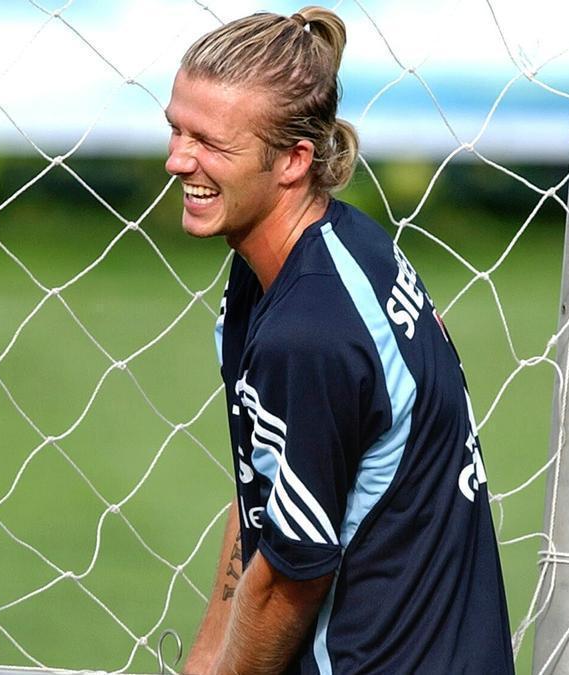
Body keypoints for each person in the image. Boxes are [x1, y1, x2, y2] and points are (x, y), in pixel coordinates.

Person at [164, 7, 513, 674]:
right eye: (177, 129)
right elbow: (264, 500)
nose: (179, 159)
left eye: (209, 141)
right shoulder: (321, 252)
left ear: (293, 160)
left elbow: (293, 576)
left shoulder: (311, 329)